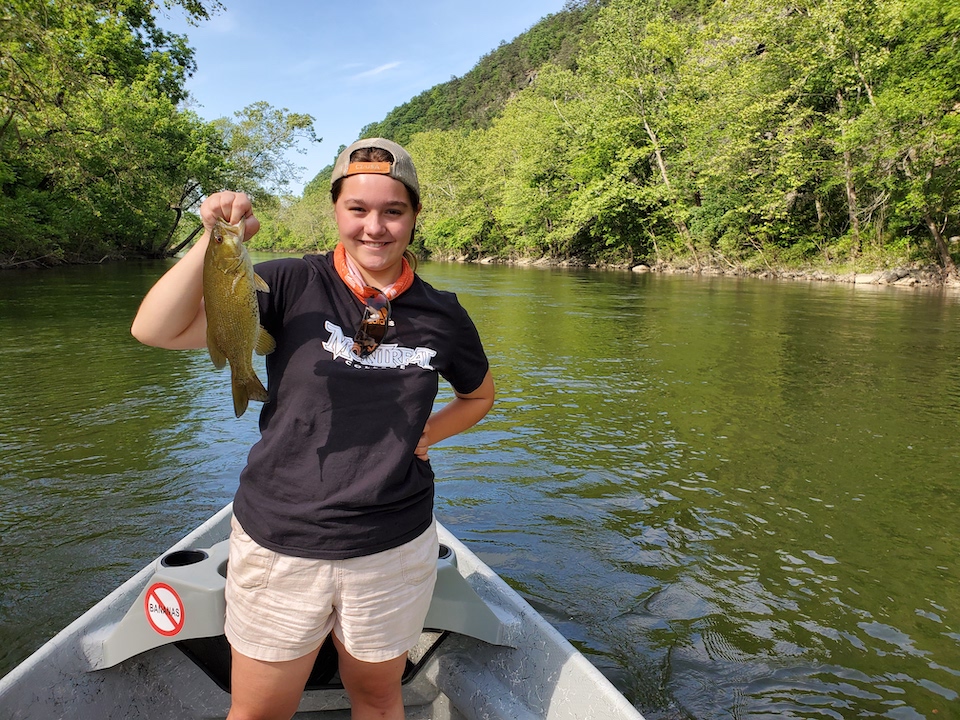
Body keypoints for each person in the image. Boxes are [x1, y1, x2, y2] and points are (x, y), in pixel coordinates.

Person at [131, 138, 495, 720]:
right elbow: (154, 330)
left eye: (393, 211)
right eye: (358, 209)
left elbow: (478, 395)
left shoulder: (442, 312)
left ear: (415, 216)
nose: (374, 226)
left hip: (392, 545)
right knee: (257, 713)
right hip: (282, 540)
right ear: (336, 212)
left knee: (378, 700)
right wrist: (214, 241)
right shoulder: (286, 284)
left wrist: (428, 434)